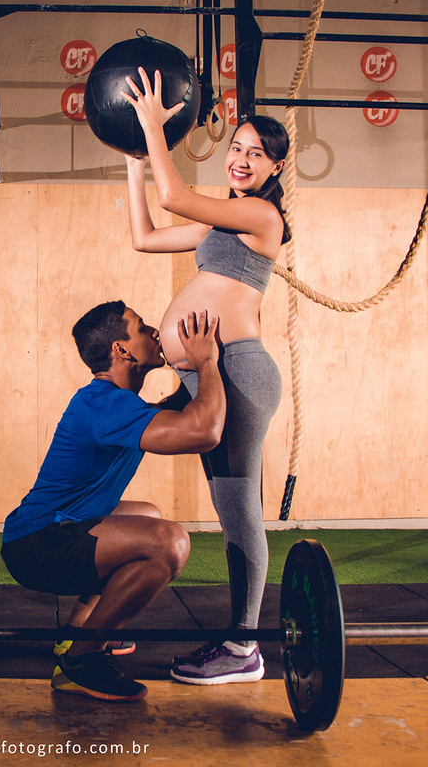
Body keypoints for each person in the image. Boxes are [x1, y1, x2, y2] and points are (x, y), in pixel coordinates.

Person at [121, 66, 291, 685]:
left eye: (257, 154)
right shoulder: (224, 219)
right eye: (237, 148)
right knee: (130, 442)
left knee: (240, 511)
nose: (242, 159)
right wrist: (134, 156)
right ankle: (232, 641)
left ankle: (244, 647)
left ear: (274, 169)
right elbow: (144, 236)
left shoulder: (262, 220)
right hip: (200, 376)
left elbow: (174, 197)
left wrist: (152, 125)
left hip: (238, 372)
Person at [1, 301, 226, 702]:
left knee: (147, 516)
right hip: (37, 545)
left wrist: (189, 375)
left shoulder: (112, 402)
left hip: (47, 531)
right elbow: (204, 431)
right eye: (141, 328)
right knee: (168, 542)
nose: (155, 331)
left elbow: (164, 416)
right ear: (120, 350)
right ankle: (82, 661)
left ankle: (75, 635)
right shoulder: (103, 405)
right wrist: (207, 364)